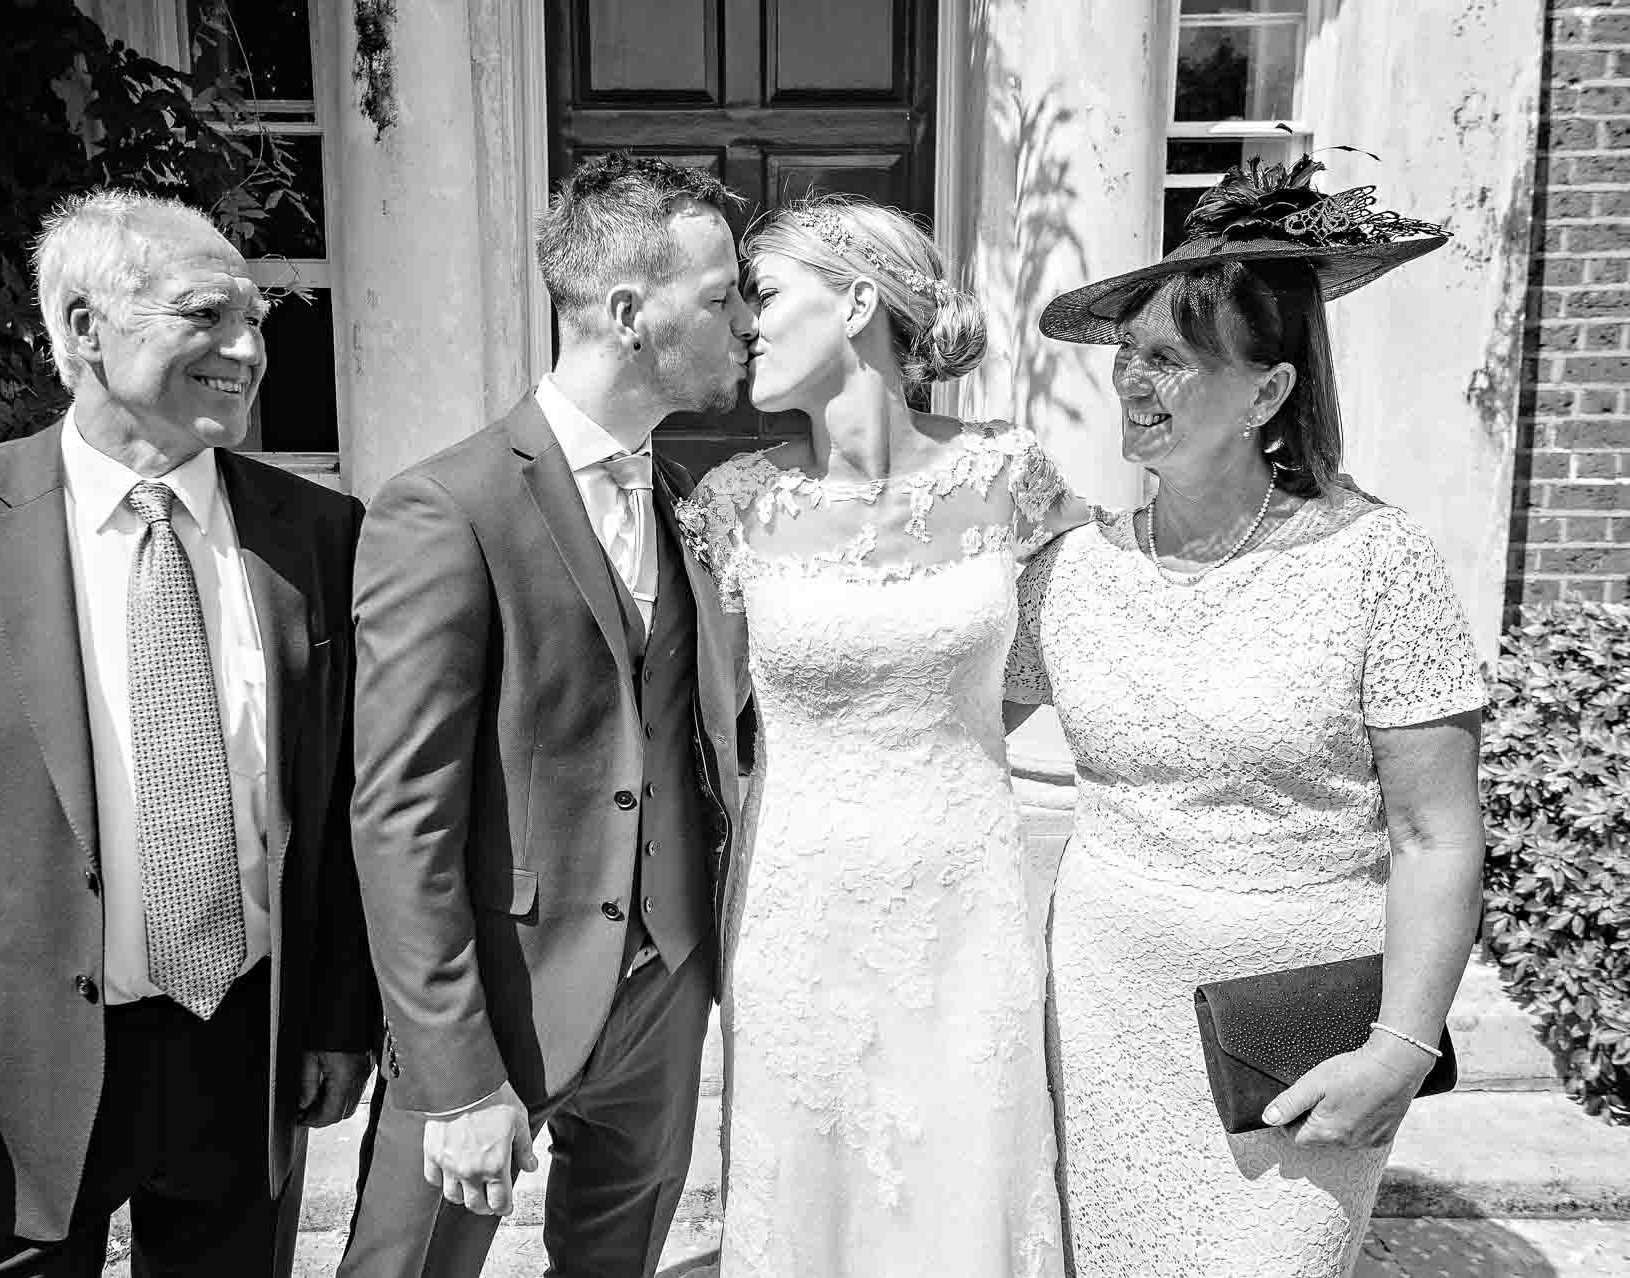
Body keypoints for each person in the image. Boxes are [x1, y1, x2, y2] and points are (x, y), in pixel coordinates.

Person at [0, 188, 379, 1277]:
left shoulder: (318, 533)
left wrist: (338, 1018)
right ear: (83, 329)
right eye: (207, 316)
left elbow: (343, 802)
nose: (249, 349)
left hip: (239, 1048)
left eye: (256, 319)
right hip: (5, 1070)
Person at [1005, 158, 1488, 1275]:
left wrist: (1401, 1051)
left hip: (1301, 1043)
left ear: (1268, 394)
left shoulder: (1380, 563)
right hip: (1103, 1018)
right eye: (1127, 356)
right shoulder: (1068, 571)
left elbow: (1437, 834)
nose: (1133, 382)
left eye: (1169, 360)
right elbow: (939, 723)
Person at [339, 152, 754, 1278]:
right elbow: (399, 817)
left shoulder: (681, 502)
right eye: (721, 299)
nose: (747, 325)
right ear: (629, 314)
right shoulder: (446, 508)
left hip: (665, 993)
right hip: (503, 1000)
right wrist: (453, 1071)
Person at [676, 194, 1084, 1277]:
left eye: (762, 296)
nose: (742, 326)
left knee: (964, 1183)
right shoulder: (730, 507)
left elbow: (1081, 671)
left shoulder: (1014, 479)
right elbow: (718, 737)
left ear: (858, 302)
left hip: (965, 900)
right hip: (796, 905)